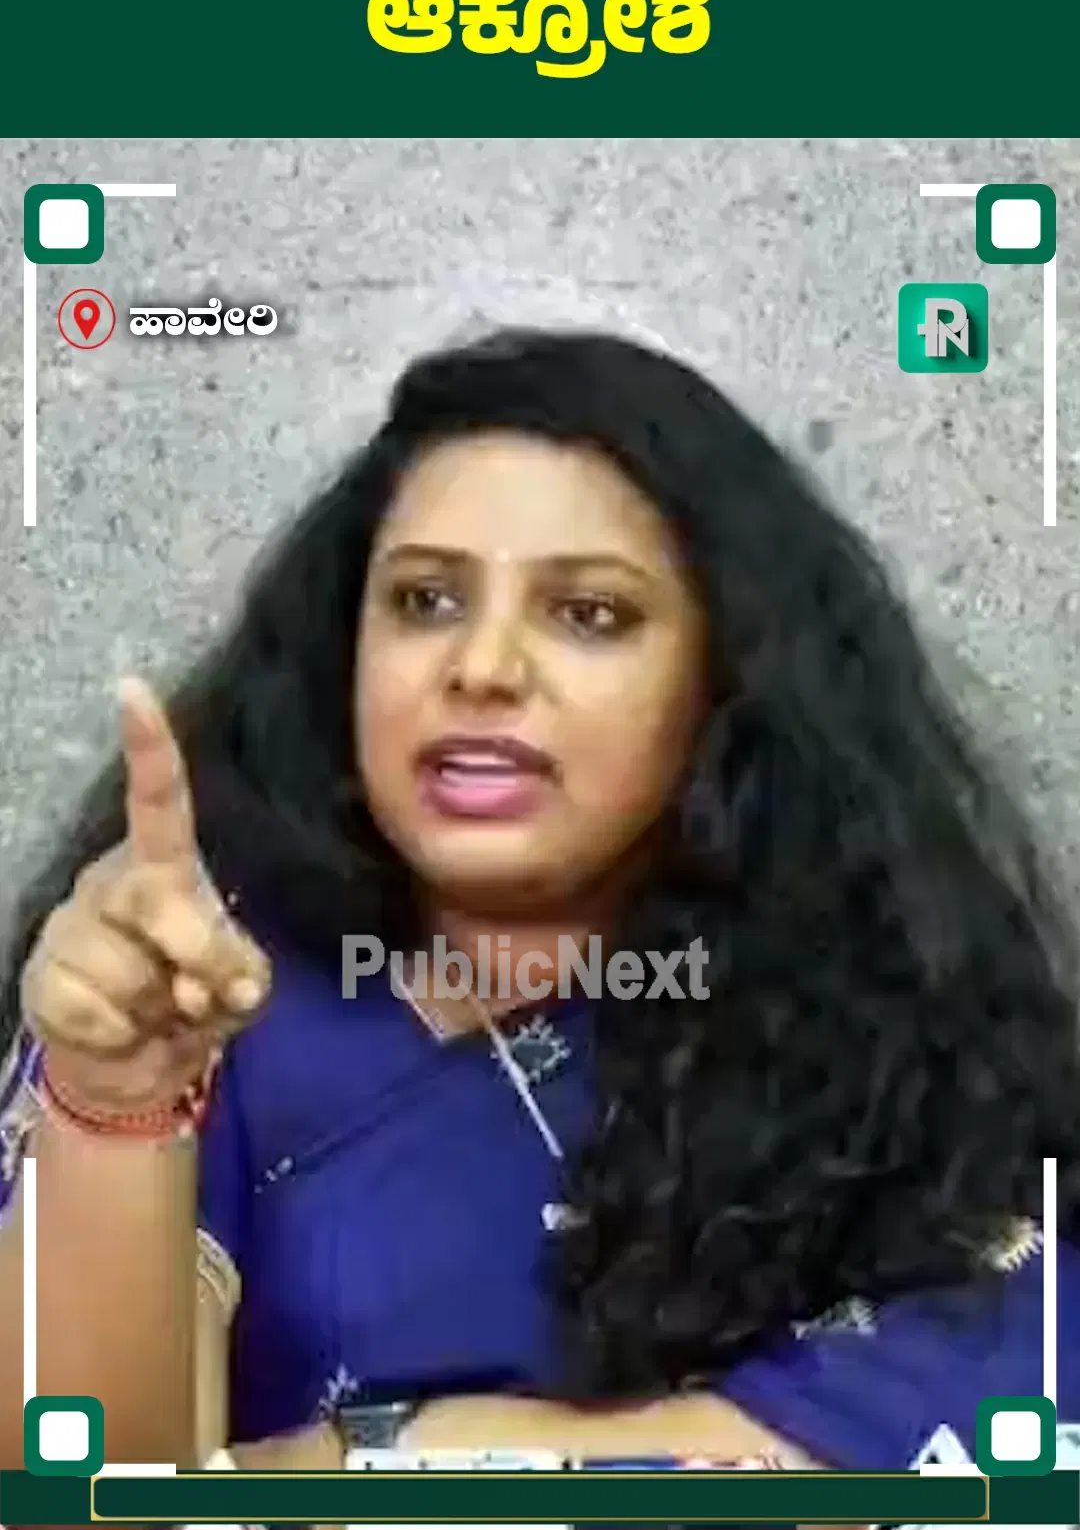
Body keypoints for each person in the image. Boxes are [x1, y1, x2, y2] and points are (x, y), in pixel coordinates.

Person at [1, 325, 1078, 1477]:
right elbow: (87, 1484)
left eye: (590, 615)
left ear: (724, 680)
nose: (483, 668)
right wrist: (114, 1104)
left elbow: (990, 1412)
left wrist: (379, 1454)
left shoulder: (886, 1017)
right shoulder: (209, 991)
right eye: (424, 600)